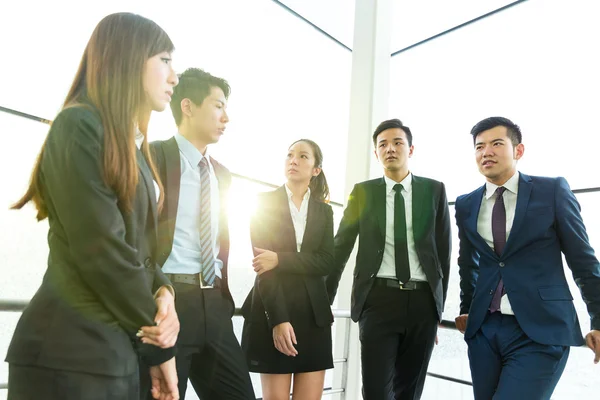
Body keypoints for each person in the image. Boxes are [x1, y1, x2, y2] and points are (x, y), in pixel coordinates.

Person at [5, 12, 180, 400]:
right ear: (129, 59)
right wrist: (160, 346)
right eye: (165, 60)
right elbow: (103, 250)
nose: (174, 76)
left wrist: (165, 293)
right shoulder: (79, 126)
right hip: (68, 354)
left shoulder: (131, 146)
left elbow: (143, 251)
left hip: (111, 353)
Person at [454, 116, 600, 400]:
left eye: (497, 144)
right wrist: (467, 307)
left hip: (541, 330)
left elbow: (582, 259)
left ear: (518, 151)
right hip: (485, 331)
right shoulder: (466, 204)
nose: (487, 152)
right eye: (479, 146)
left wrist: (599, 318)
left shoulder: (552, 191)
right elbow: (468, 263)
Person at [146, 68, 255, 399]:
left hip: (215, 303)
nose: (226, 117)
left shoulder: (222, 175)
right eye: (218, 106)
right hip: (169, 302)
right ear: (188, 107)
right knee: (162, 394)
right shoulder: (151, 157)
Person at [327, 119, 451, 399]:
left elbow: (443, 255)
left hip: (422, 304)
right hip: (377, 302)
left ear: (411, 149)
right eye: (382, 144)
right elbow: (340, 248)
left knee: (410, 391)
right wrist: (325, 299)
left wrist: (436, 310)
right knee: (375, 391)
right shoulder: (363, 192)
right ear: (376, 153)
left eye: (397, 142)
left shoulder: (434, 190)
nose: (390, 149)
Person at [241, 139, 334, 400]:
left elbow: (327, 261)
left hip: (314, 316)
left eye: (303, 156)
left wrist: (281, 259)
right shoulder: (262, 202)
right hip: (273, 309)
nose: (294, 160)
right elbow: (264, 268)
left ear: (316, 169)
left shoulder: (324, 212)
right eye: (290, 155)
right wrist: (279, 320)